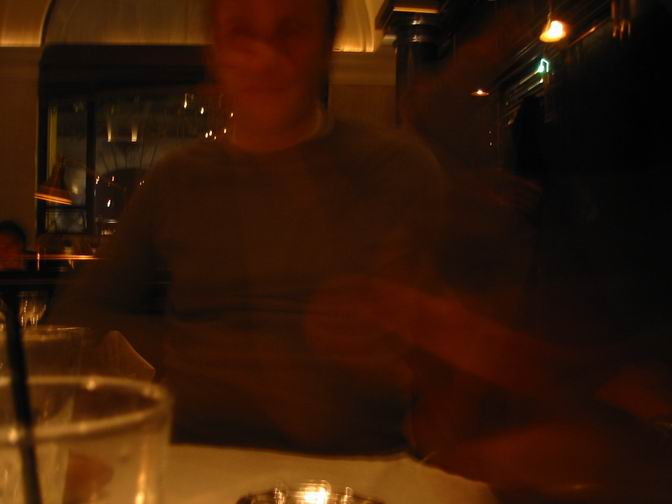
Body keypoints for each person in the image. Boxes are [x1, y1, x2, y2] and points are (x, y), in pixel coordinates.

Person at [52, 0, 446, 453]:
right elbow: (76, 320)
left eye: (290, 30)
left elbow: (464, 354)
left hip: (359, 468)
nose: (265, 55)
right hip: (197, 465)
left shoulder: (396, 169)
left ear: (326, 47)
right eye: (242, 31)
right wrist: (194, 354)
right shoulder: (179, 180)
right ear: (215, 51)